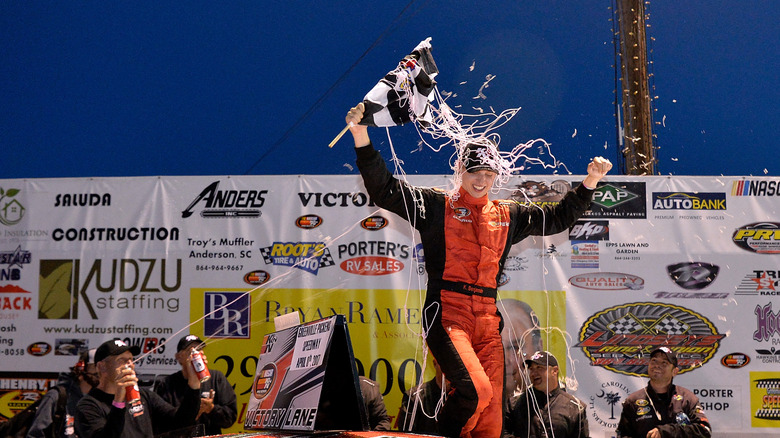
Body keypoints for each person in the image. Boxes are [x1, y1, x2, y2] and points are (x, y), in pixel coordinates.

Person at [346, 102, 612, 438]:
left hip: (487, 319)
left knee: (492, 419)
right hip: (446, 313)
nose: (482, 181)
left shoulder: (508, 214)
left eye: (489, 175)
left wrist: (589, 182)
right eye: (476, 174)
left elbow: (557, 218)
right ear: (461, 172)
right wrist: (360, 134)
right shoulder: (435, 205)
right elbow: (384, 189)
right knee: (476, 392)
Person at [75, 339, 201, 438]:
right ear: (102, 367)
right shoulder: (88, 405)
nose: (130, 364)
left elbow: (181, 421)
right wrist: (119, 400)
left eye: (131, 359)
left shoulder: (144, 396)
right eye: (121, 360)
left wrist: (194, 383)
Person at [616, 347, 711, 438]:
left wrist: (666, 432)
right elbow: (623, 434)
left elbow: (704, 430)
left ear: (674, 371)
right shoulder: (632, 401)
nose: (657, 365)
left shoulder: (687, 399)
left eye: (664, 363)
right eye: (654, 361)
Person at [154, 335, 238, 436]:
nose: (199, 353)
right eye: (192, 350)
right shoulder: (166, 384)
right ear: (179, 357)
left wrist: (211, 409)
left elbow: (230, 418)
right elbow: (161, 423)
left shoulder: (216, 378)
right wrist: (192, 410)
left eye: (200, 349)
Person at [506, 351, 588, 438]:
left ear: (554, 371)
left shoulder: (575, 408)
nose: (533, 373)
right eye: (531, 369)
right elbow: (502, 433)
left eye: (539, 367)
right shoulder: (515, 403)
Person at [27, 349, 98, 438]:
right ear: (81, 368)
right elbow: (35, 435)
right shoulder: (58, 397)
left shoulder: (105, 400)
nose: (100, 372)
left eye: (104, 367)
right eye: (96, 366)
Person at [397, 357, 447, 434]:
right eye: (444, 363)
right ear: (435, 363)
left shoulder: (464, 395)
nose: (449, 368)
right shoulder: (414, 396)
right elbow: (405, 434)